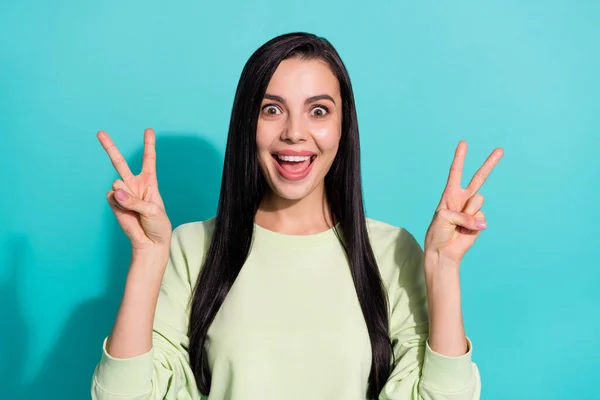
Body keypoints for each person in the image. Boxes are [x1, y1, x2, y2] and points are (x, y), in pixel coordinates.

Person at [91, 32, 503, 400]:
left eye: (318, 111)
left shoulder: (393, 251)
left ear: (344, 127)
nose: (294, 132)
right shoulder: (190, 247)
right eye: (272, 109)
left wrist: (444, 267)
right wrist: (146, 256)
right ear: (246, 123)